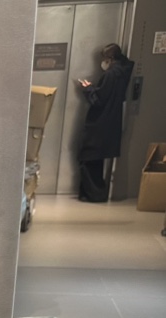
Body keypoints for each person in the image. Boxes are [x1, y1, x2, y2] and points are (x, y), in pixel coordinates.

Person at [77, 43, 134, 202]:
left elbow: (99, 99)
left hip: (100, 123)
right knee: (95, 160)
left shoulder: (111, 75)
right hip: (110, 123)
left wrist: (88, 89)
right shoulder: (122, 73)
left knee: (88, 158)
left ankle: (95, 194)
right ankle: (92, 194)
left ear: (110, 58)